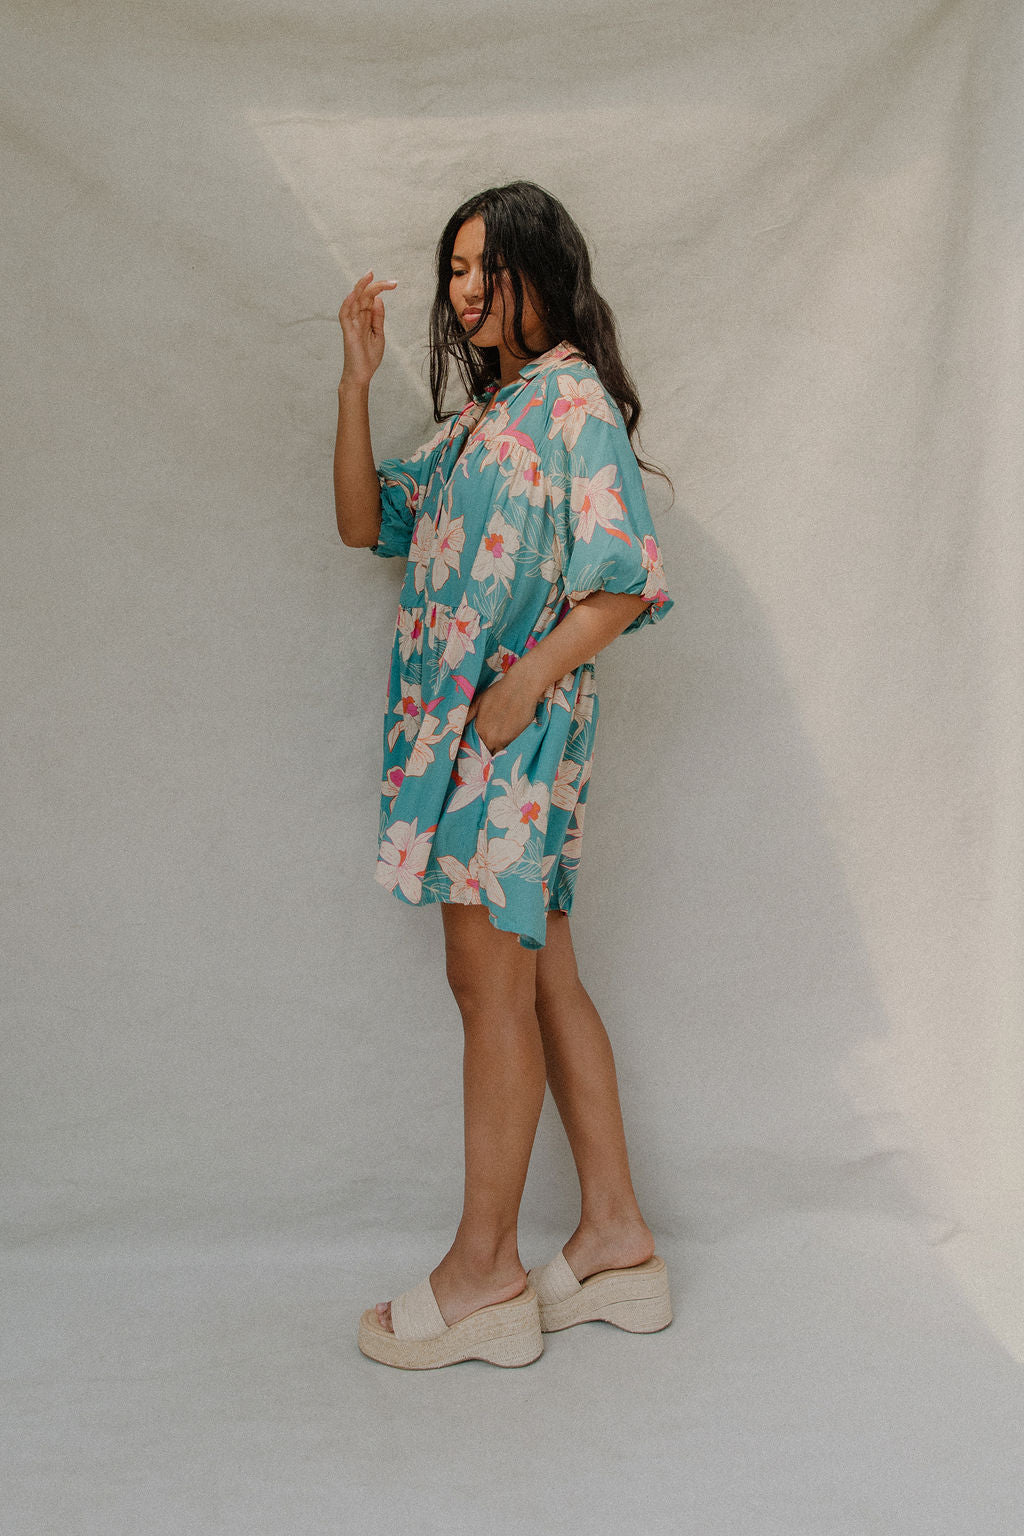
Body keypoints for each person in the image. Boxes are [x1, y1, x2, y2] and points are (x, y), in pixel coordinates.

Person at [334, 181, 673, 1369]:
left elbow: (625, 577)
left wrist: (520, 690)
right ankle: (618, 1236)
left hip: (508, 745)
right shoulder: (491, 417)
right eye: (455, 270)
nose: (466, 291)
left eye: (487, 267)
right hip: (477, 742)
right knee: (540, 984)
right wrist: (355, 379)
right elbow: (362, 521)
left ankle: (482, 1272)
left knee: (489, 989)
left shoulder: (569, 401)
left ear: (540, 268)